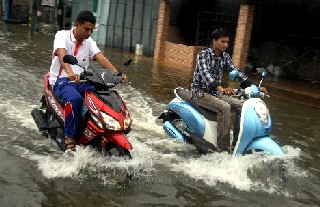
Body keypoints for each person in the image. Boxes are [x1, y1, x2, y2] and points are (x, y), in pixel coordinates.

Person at [49, 10, 128, 151]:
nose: (89, 33)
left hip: (82, 82)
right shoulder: (62, 35)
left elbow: (101, 58)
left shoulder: (89, 42)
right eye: (86, 29)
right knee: (75, 100)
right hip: (62, 81)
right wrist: (70, 72)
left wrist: (117, 73)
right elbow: (62, 54)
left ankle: (98, 129)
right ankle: (69, 137)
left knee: (103, 95)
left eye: (92, 30)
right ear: (77, 24)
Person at [191, 28, 267, 152]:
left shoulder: (225, 57)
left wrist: (254, 88)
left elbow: (237, 73)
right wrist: (221, 88)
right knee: (224, 107)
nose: (225, 45)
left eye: (227, 42)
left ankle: (236, 145)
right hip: (200, 93)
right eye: (222, 41)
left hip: (215, 93)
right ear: (214, 41)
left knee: (243, 106)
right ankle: (222, 148)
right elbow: (206, 75)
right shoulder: (203, 55)